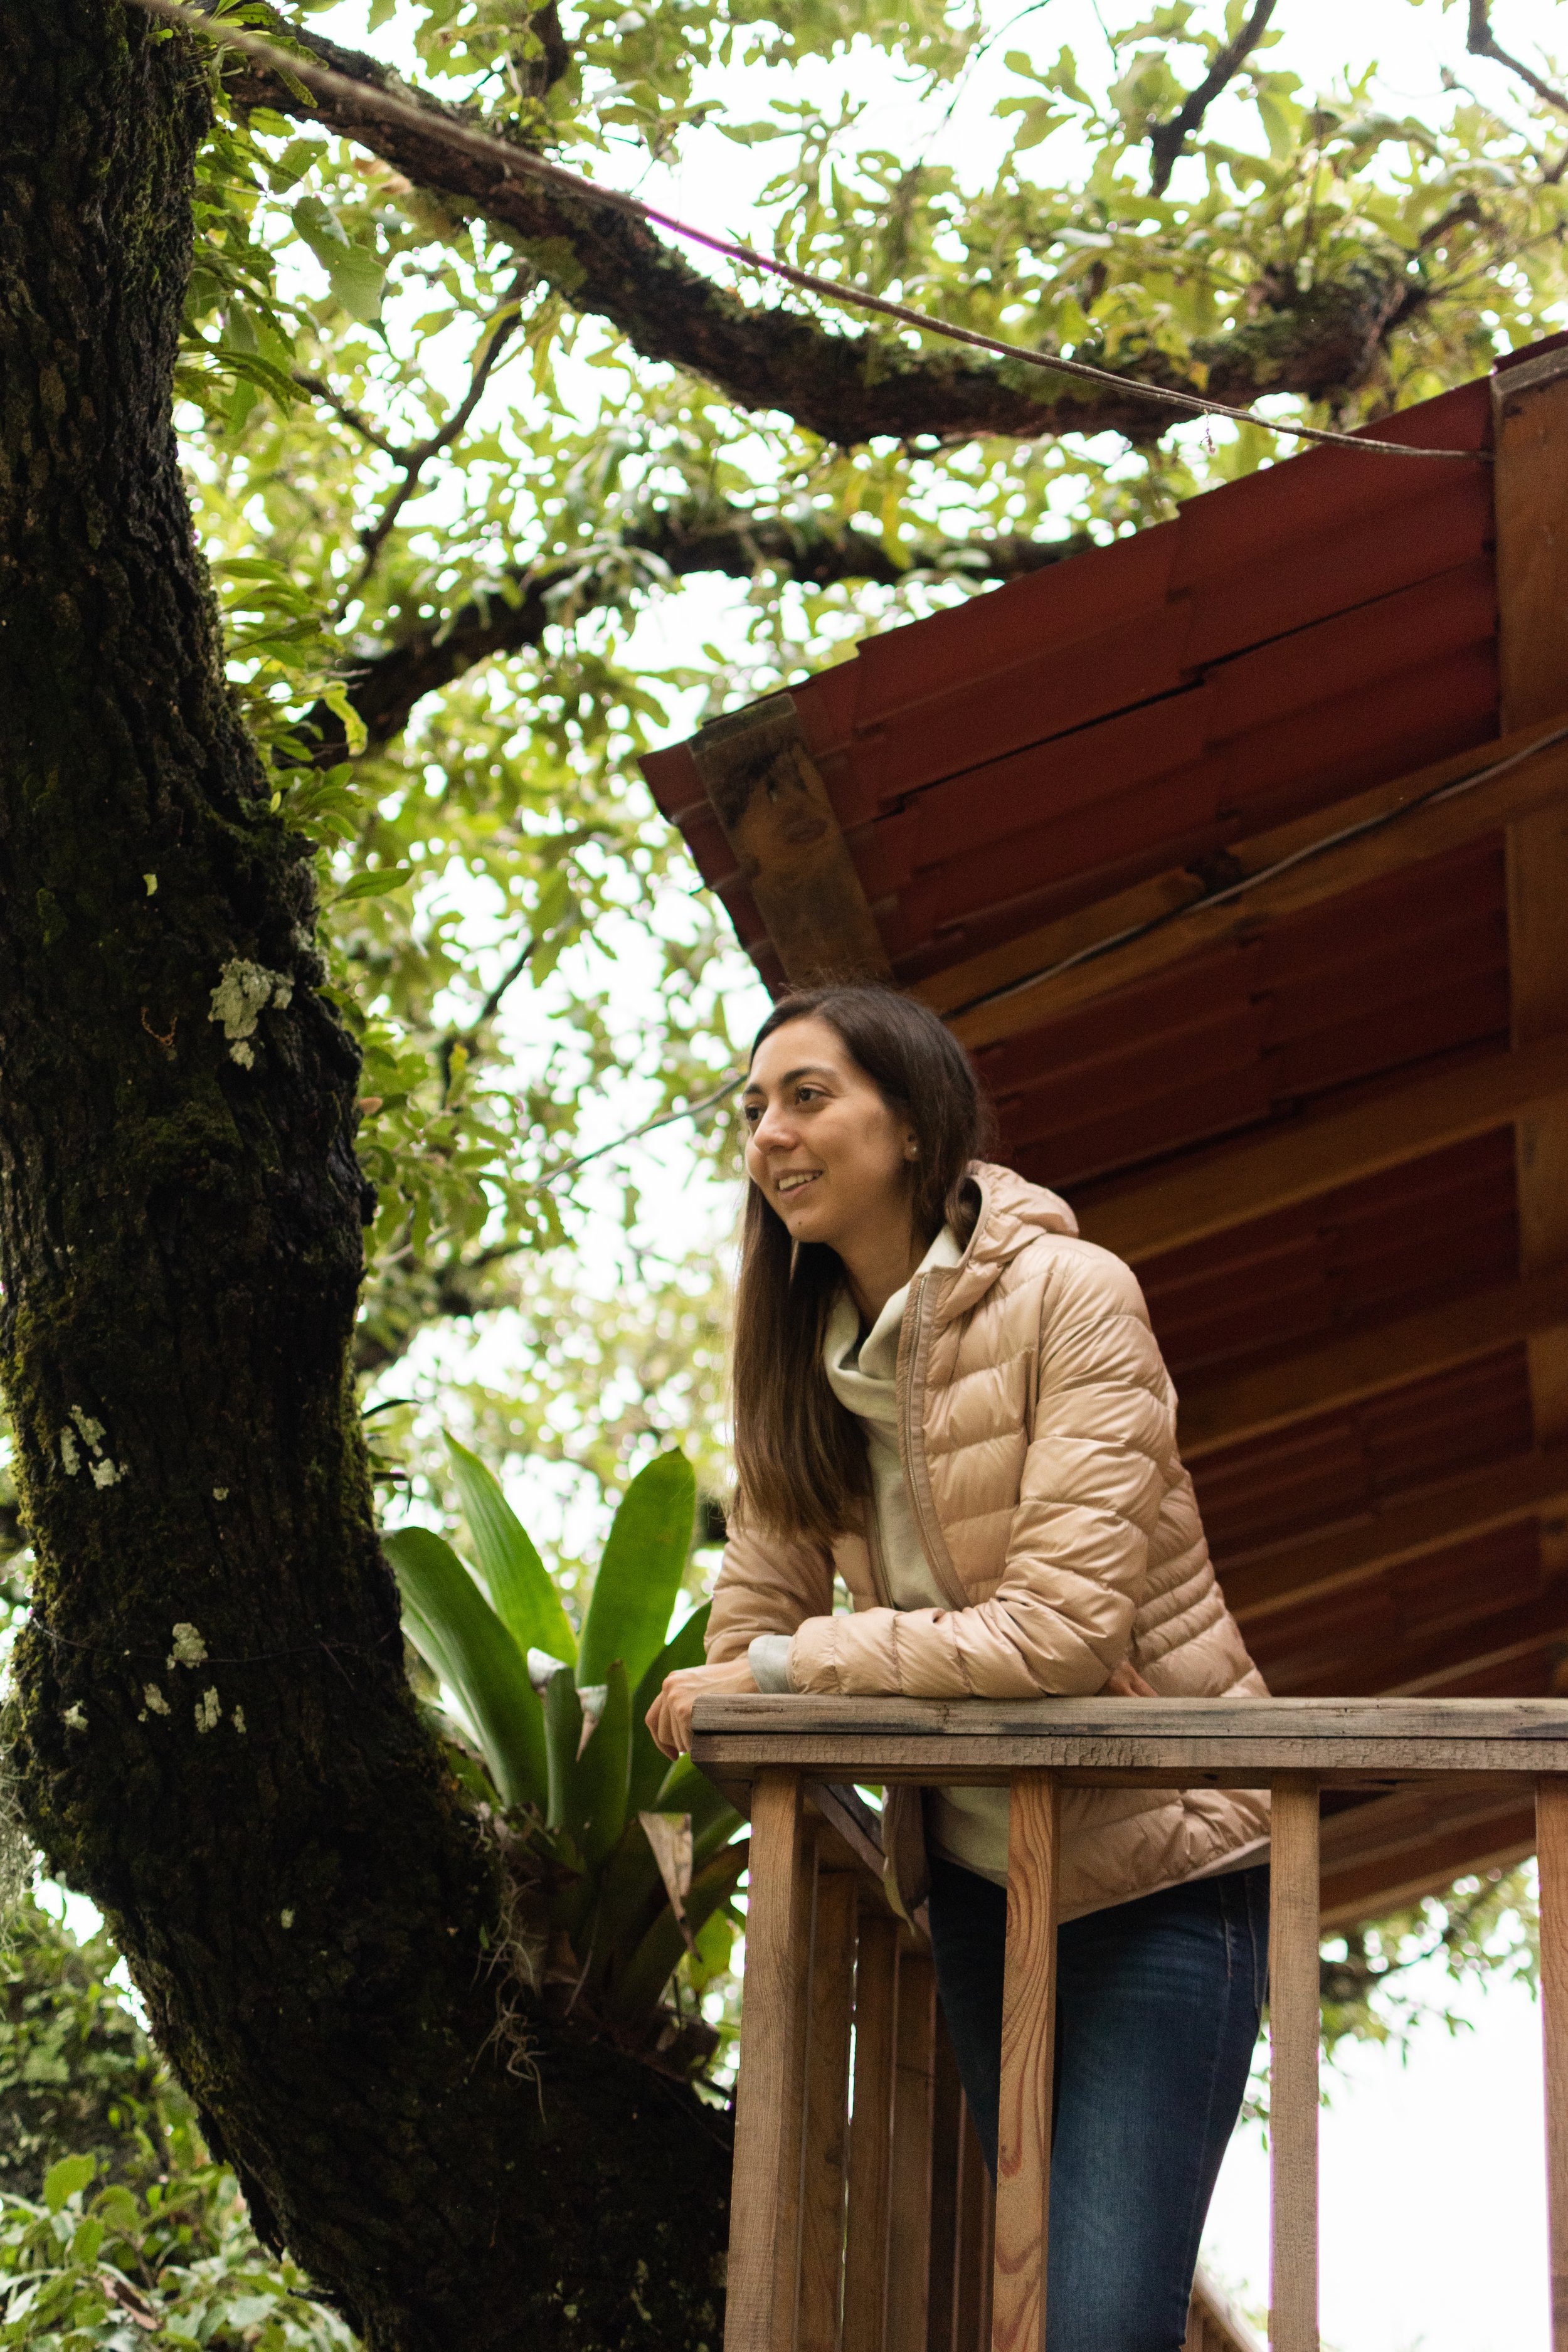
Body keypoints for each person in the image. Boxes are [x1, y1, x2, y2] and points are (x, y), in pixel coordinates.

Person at [646, 984, 1269, 2352]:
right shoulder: (795, 1363)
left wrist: (792, 1666)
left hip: (1166, 1868)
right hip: (985, 1883)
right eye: (753, 1109)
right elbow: (746, 1626)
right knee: (1036, 2309)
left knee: (1099, 2324)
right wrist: (773, 1668)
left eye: (806, 1095)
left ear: (916, 1124)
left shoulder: (1072, 1295)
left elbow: (1058, 1635)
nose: (769, 1132)